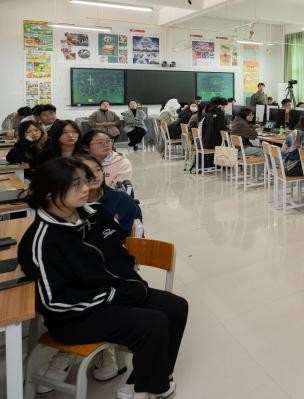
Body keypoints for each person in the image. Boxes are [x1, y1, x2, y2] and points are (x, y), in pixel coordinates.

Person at [17, 157, 187, 399]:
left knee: (176, 306)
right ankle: (146, 387)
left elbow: (121, 253)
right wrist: (113, 295)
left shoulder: (96, 214)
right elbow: (53, 303)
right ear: (49, 194)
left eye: (85, 181)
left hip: (113, 293)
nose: (86, 188)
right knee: (153, 322)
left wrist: (131, 285)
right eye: (76, 185)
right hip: (74, 317)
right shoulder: (41, 240)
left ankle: (151, 379)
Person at [77, 154, 142, 235]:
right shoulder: (71, 207)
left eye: (98, 169)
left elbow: (135, 236)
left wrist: (113, 228)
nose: (95, 175)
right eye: (87, 172)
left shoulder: (121, 200)